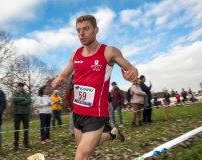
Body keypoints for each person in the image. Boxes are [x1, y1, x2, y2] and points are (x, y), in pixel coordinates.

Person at [51, 15, 138, 160]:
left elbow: (132, 69)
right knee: (88, 147)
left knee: (81, 155)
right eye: (78, 30)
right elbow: (64, 75)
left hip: (96, 114)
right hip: (77, 113)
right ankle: (111, 134)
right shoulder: (75, 55)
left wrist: (132, 74)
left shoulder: (108, 51)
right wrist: (58, 80)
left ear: (96, 30)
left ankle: (109, 133)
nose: (81, 34)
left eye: (86, 29)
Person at [11, 82, 32, 151]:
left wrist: (19, 102)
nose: (21, 87)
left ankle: (26, 143)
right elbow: (14, 99)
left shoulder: (26, 94)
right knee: (16, 130)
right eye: (20, 86)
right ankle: (16, 145)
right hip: (17, 114)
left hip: (25, 113)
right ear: (18, 87)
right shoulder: (14, 93)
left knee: (26, 129)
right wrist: (23, 98)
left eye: (22, 86)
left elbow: (29, 101)